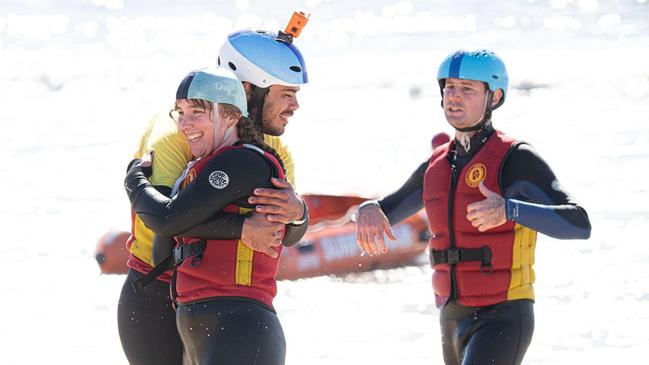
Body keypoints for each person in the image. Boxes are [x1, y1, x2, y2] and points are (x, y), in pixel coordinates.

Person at [355, 49, 591, 365]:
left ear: (494, 96)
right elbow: (388, 208)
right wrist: (368, 209)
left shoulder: (515, 158)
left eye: (467, 89)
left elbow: (578, 223)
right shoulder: (437, 164)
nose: (455, 97)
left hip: (504, 313)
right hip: (450, 315)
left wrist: (510, 209)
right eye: (450, 87)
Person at [117, 29, 310, 365]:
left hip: (220, 302)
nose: (294, 106)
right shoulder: (176, 134)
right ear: (249, 91)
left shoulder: (272, 148)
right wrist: (241, 227)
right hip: (156, 294)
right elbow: (167, 220)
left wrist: (298, 212)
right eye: (285, 94)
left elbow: (280, 234)